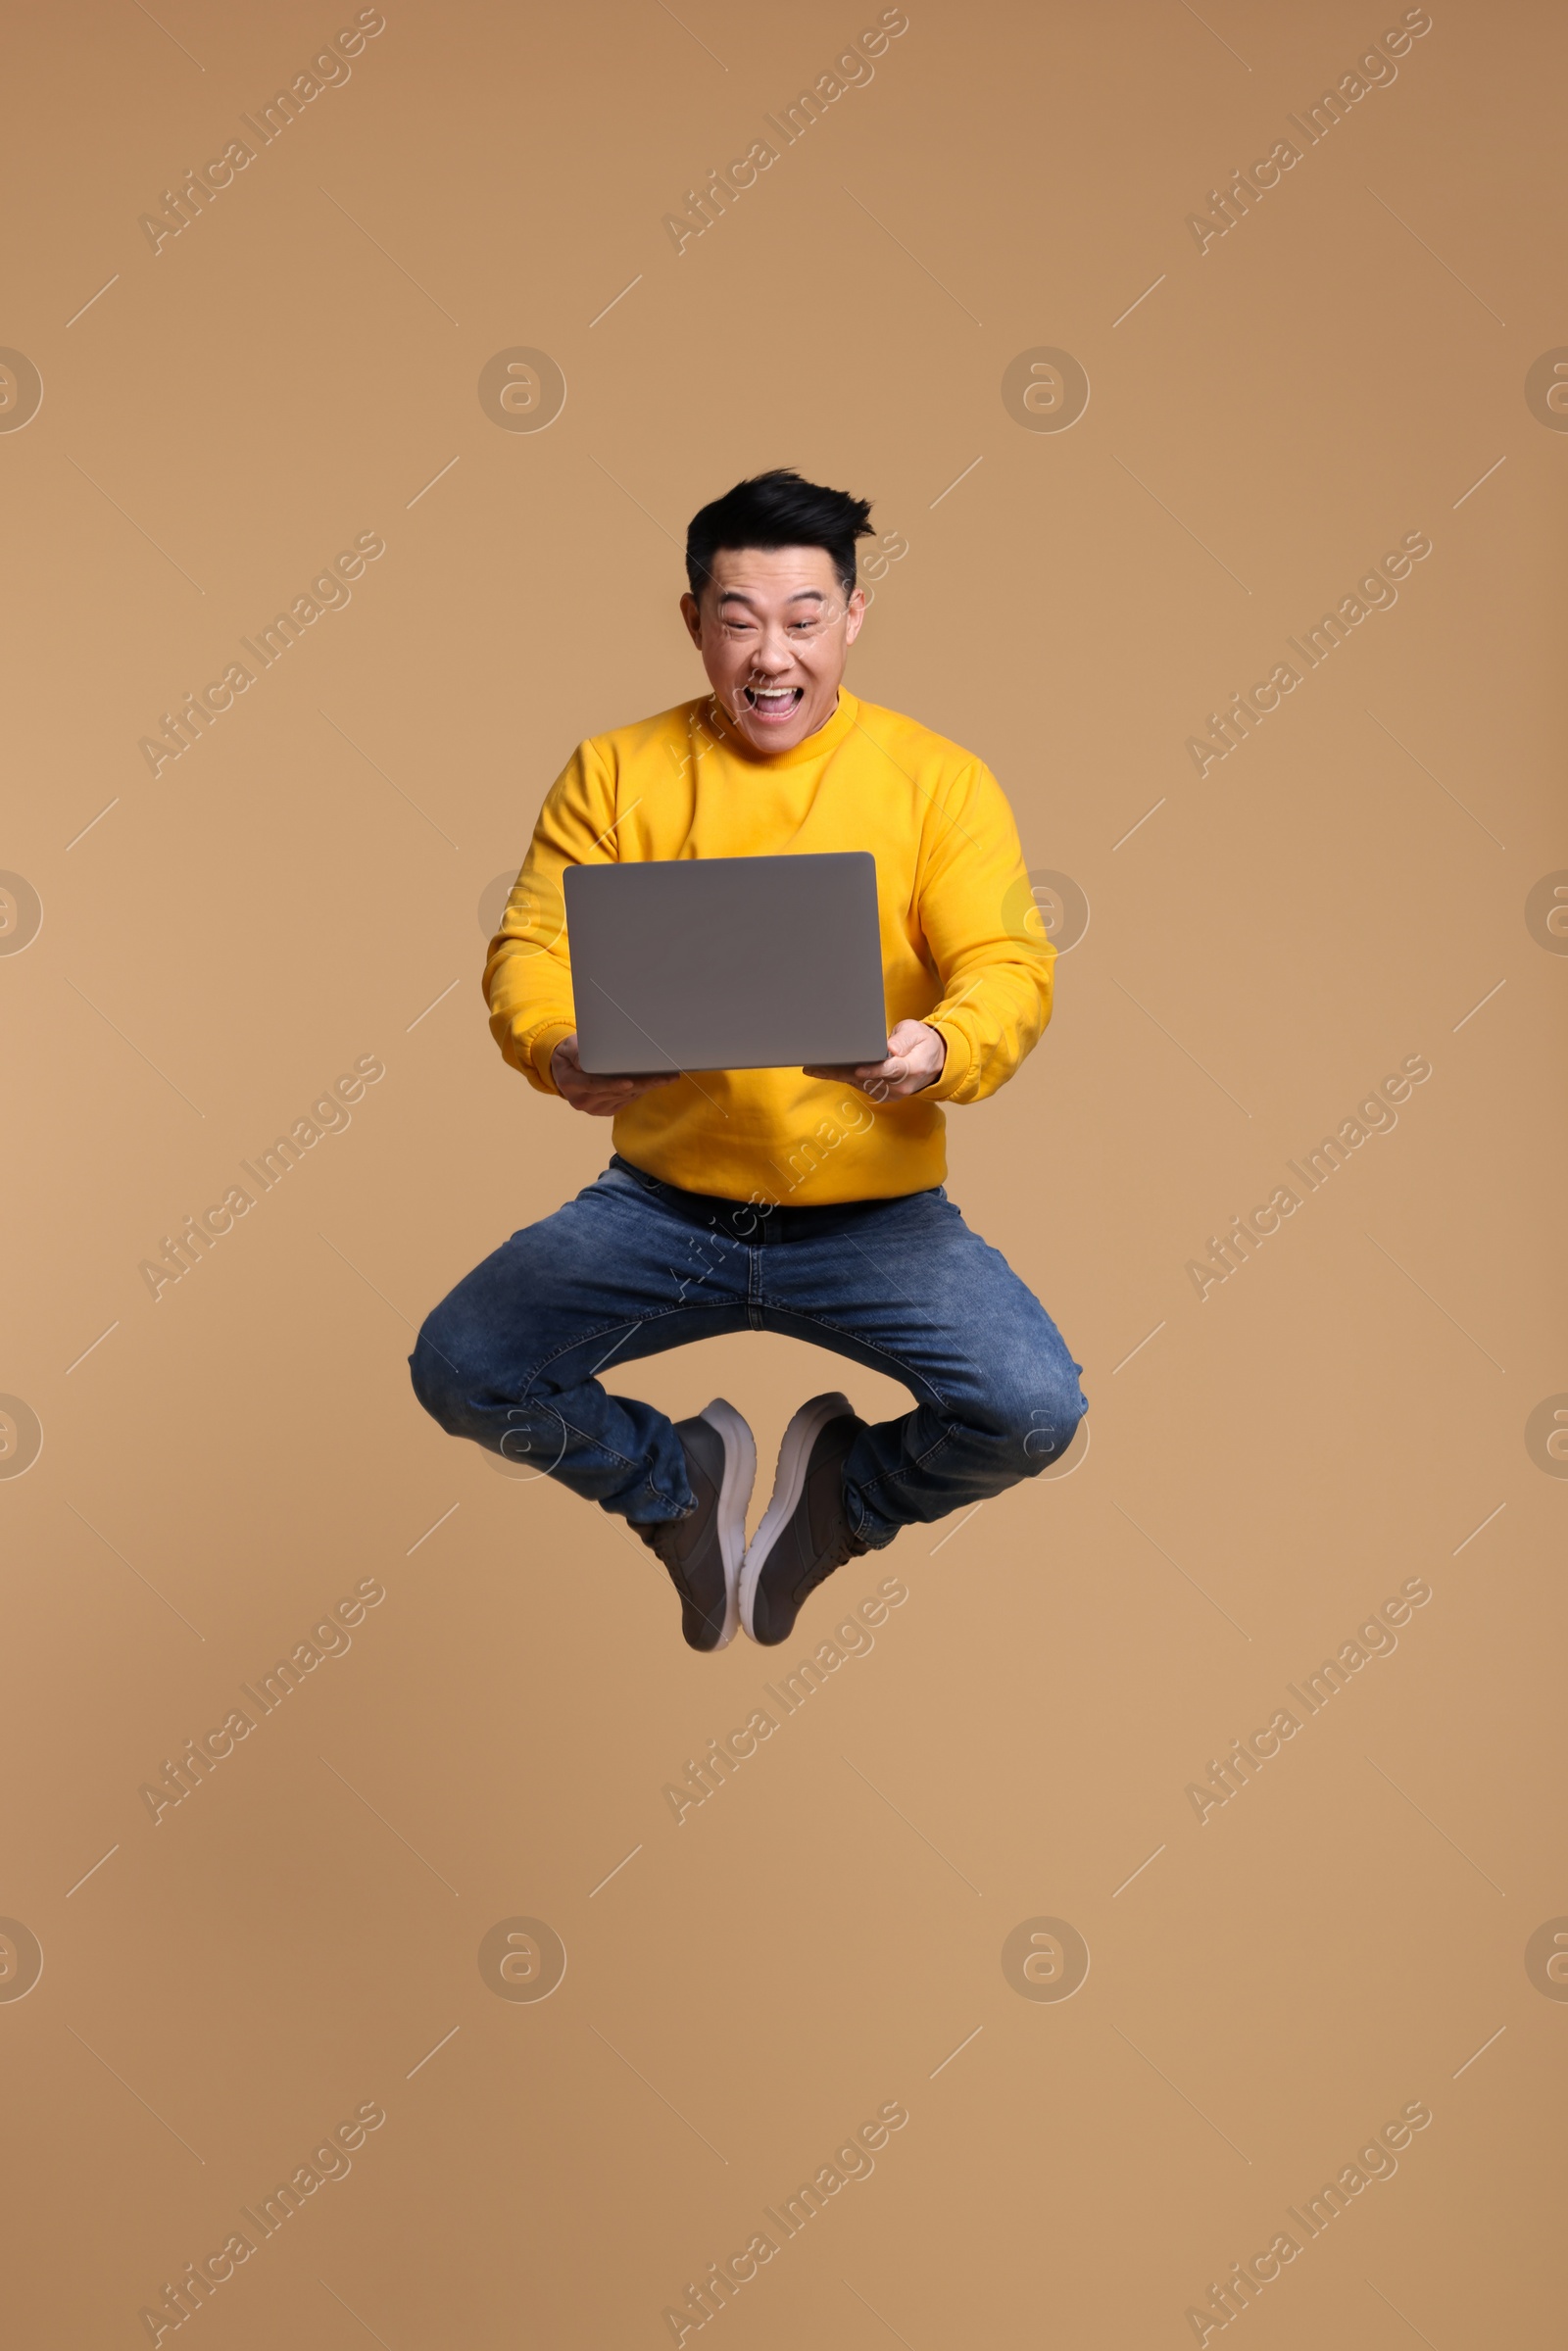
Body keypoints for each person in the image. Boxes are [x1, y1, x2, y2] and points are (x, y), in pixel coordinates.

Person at [410, 468, 1087, 1652]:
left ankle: (842, 1496)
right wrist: (556, 1043)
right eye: (737, 619)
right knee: (464, 1366)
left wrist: (937, 1044)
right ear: (692, 623)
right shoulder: (614, 772)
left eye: (803, 618)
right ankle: (676, 1485)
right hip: (660, 1213)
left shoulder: (938, 781)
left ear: (853, 617)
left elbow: (1010, 967)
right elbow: (531, 946)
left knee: (1031, 1409)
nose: (770, 654)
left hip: (873, 1218)